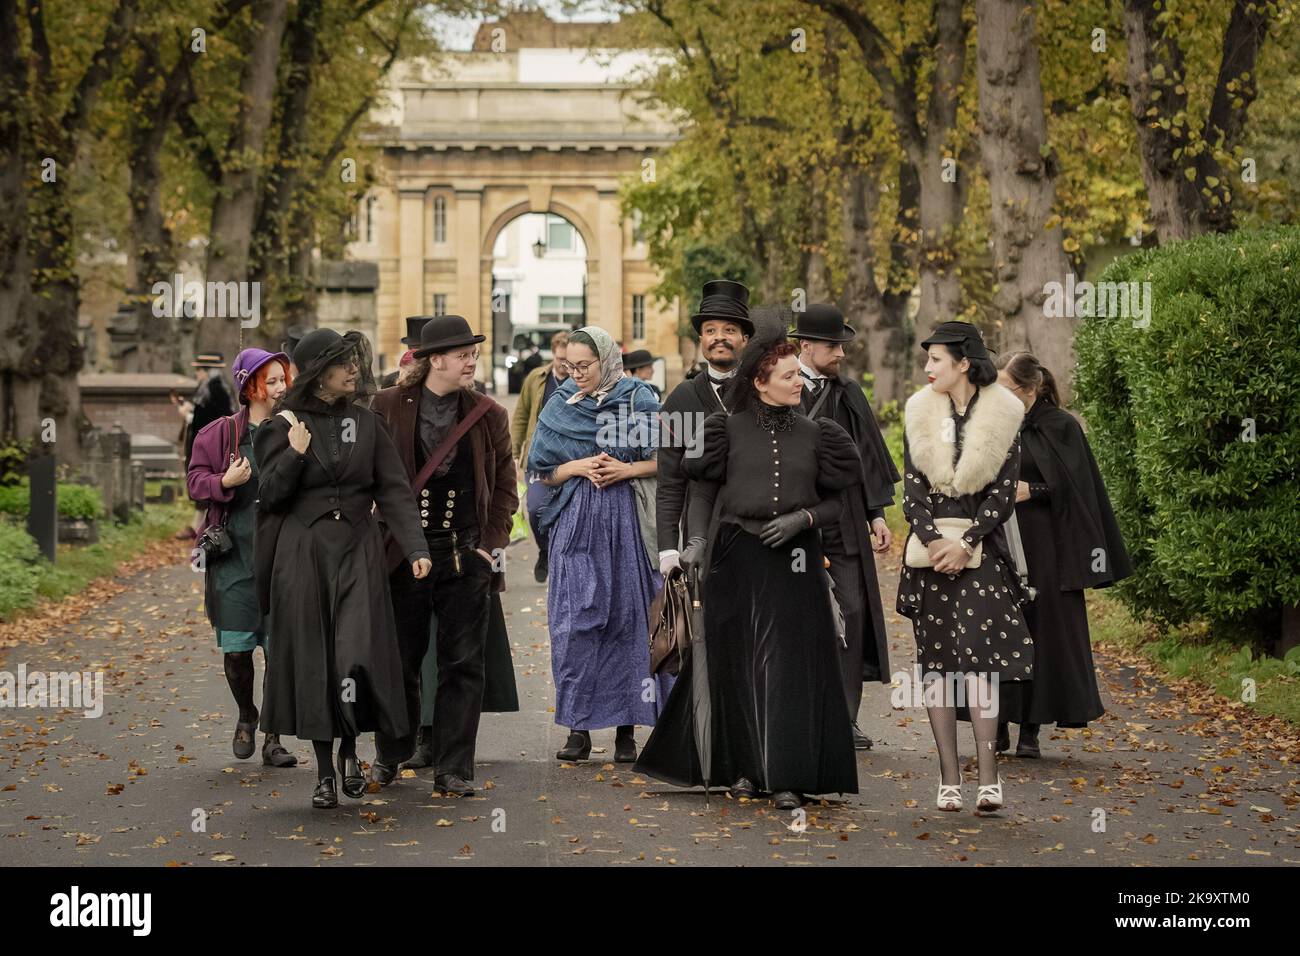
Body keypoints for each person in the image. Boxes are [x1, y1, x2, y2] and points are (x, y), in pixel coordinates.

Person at [635, 333, 862, 810]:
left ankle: (786, 775)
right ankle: (742, 769)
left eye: (798, 374)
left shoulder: (819, 435)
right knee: (735, 661)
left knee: (789, 667)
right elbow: (699, 490)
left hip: (795, 560)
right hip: (735, 555)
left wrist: (802, 519)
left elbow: (837, 503)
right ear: (760, 381)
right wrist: (693, 544)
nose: (799, 381)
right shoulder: (725, 429)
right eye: (788, 375)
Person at [253, 328, 431, 810]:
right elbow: (269, 496)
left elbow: (393, 489)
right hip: (304, 555)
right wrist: (293, 451)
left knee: (353, 655)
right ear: (316, 373)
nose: (354, 369)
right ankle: (326, 772)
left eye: (354, 362)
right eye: (341, 363)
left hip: (358, 551)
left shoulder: (367, 423)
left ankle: (353, 751)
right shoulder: (282, 424)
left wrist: (415, 547)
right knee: (316, 662)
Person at [367, 315, 519, 796]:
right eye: (462, 355)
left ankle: (454, 768)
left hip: (462, 555)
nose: (471, 361)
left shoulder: (488, 413)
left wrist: (486, 549)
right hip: (401, 555)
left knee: (463, 665)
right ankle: (391, 754)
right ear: (436, 361)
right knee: (400, 661)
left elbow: (505, 492)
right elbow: (368, 478)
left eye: (473, 354)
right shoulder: (387, 405)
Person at [898, 321, 1032, 813]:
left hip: (982, 552)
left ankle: (990, 779)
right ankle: (948, 780)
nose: (927, 367)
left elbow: (1003, 494)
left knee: (980, 665)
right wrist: (935, 542)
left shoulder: (1004, 414)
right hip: (931, 553)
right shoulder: (919, 413)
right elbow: (912, 494)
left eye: (936, 359)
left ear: (963, 364)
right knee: (938, 668)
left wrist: (968, 542)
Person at [526, 326, 667, 763]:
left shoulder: (638, 397)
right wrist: (573, 466)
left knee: (628, 621)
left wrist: (625, 470)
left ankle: (627, 730)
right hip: (575, 522)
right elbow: (540, 471)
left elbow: (666, 460)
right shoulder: (559, 405)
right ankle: (578, 728)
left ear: (606, 359)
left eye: (584, 366)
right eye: (569, 366)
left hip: (625, 518)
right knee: (575, 621)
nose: (576, 374)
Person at [992, 352, 1131, 756]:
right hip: (1002, 541)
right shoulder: (997, 422)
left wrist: (1031, 490)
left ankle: (1030, 730)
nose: (1001, 396)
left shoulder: (1061, 426)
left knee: (1043, 633)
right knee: (1001, 629)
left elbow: (1078, 488)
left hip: (1049, 548)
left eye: (1008, 389)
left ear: (1031, 389)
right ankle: (997, 723)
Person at [794, 304, 900, 750]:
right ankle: (800, 715)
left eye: (841, 345)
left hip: (845, 523)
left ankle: (845, 717)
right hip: (793, 523)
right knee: (800, 617)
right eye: (832, 345)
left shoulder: (848, 393)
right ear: (806, 346)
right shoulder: (779, 386)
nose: (840, 352)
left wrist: (877, 515)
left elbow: (869, 458)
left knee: (852, 616)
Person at [186, 348, 298, 769]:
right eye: (271, 381)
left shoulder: (293, 430)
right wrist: (223, 481)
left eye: (282, 379)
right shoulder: (216, 435)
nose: (281, 387)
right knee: (236, 650)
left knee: (278, 648)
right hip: (234, 556)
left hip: (283, 554)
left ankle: (273, 736)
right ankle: (247, 714)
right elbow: (195, 483)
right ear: (249, 387)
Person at [656, 279, 752, 577]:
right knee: (706, 621)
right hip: (701, 533)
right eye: (710, 331)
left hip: (758, 530)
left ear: (745, 339)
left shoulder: (762, 391)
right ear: (701, 339)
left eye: (729, 331)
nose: (718, 338)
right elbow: (669, 481)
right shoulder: (681, 398)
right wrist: (669, 549)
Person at [512, 331, 570, 582]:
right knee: (535, 509)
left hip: (570, 459)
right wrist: (514, 454)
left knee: (567, 511)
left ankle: (562, 558)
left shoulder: (582, 380)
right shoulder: (537, 379)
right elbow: (521, 415)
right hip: (538, 458)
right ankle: (545, 551)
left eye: (569, 360)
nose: (564, 365)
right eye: (560, 359)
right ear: (553, 354)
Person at [175, 353, 235, 539]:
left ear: (209, 371)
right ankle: (198, 526)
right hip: (208, 445)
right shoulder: (209, 388)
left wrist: (188, 416)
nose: (197, 373)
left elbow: (213, 421)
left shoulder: (216, 390)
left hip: (212, 447)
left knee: (206, 483)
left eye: (199, 369)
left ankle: (202, 527)